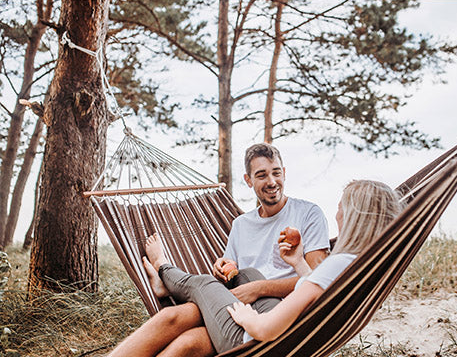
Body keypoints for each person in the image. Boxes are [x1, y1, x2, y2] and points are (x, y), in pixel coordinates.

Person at [109, 179, 403, 356]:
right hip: (291, 342)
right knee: (248, 275)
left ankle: (163, 268)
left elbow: (265, 328)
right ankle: (197, 295)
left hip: (251, 342)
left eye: (341, 208)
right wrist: (298, 263)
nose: (337, 214)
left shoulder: (337, 262)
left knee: (205, 285)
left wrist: (245, 316)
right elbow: (320, 296)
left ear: (354, 216)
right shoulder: (362, 264)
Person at [109, 143, 330, 356]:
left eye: (276, 173)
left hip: (281, 315)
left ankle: (165, 273)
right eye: (262, 175)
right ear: (248, 180)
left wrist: (259, 289)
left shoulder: (308, 214)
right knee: (177, 327)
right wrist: (223, 267)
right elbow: (233, 273)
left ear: (284, 173)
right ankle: (166, 283)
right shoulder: (241, 224)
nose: (272, 181)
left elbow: (318, 281)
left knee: (181, 332)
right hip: (237, 307)